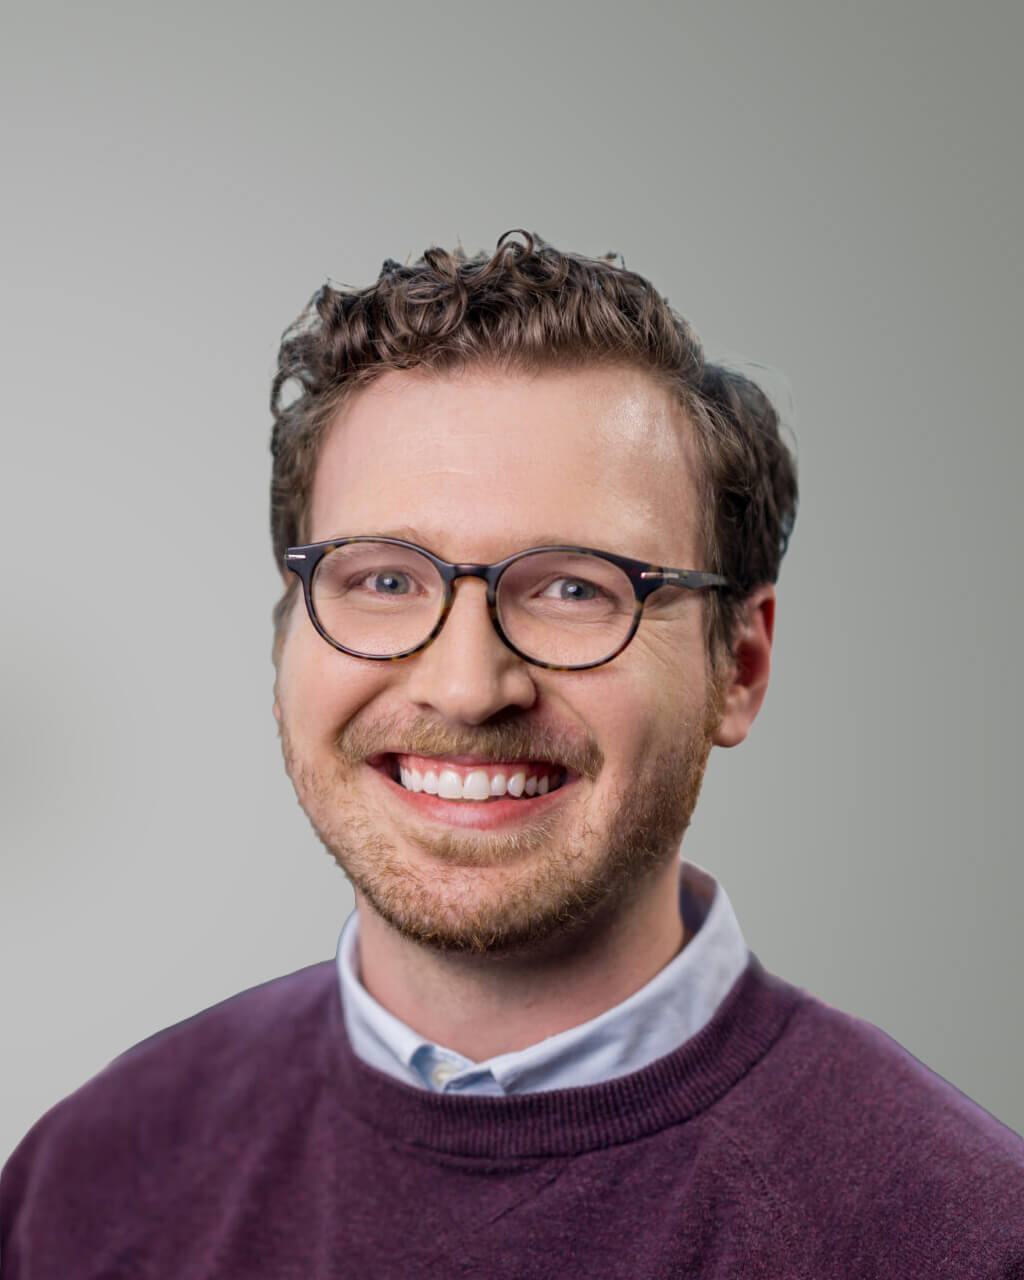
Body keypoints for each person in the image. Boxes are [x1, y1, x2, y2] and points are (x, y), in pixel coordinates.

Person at [2, 232, 1022, 1278]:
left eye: (575, 586)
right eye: (386, 579)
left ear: (741, 667)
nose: (466, 684)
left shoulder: (964, 1232)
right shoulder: (86, 1180)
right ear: (286, 634)